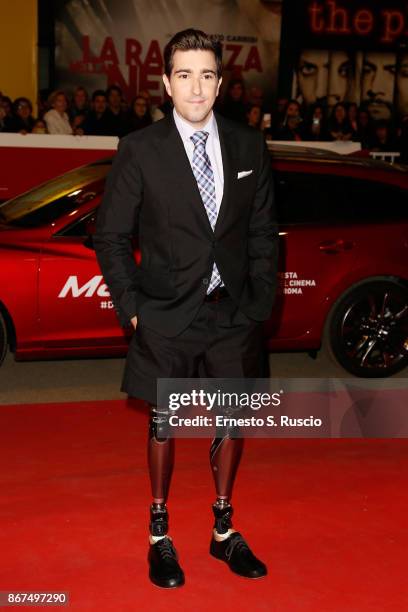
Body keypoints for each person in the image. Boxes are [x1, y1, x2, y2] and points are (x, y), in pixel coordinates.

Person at [94, 28, 278, 589]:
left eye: (206, 75)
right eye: (183, 75)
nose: (195, 87)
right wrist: (132, 308)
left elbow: (264, 232)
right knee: (163, 422)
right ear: (166, 84)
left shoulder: (249, 146)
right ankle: (159, 533)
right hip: (165, 314)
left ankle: (223, 531)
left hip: (233, 315)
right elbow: (111, 237)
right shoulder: (140, 149)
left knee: (230, 420)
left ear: (220, 84)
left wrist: (259, 305)